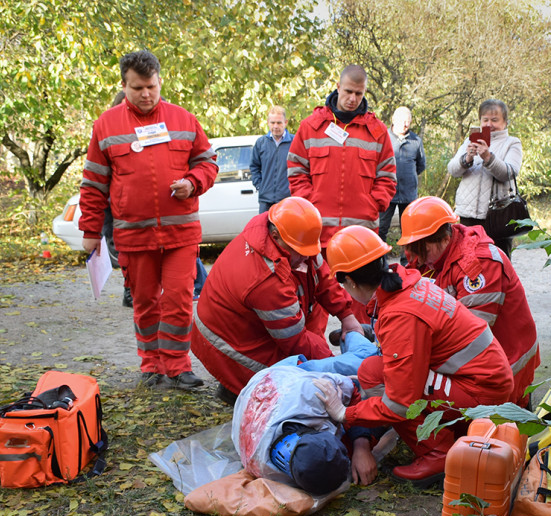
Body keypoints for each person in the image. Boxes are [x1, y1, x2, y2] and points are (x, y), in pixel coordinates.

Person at [316, 226, 513, 487]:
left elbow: (399, 402)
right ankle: (446, 435)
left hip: (483, 391)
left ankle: (436, 454)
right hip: (481, 379)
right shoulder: (407, 282)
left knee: (378, 377)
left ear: (350, 282)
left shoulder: (401, 314)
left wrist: (345, 414)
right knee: (373, 370)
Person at [79, 50, 218, 389]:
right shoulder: (106, 125)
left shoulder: (183, 120)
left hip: (180, 232)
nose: (146, 94)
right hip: (133, 235)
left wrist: (192, 182)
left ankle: (178, 366)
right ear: (124, 85)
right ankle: (152, 367)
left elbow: (208, 163)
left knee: (179, 299)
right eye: (138, 88)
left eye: (151, 87)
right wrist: (90, 231)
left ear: (160, 81)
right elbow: (94, 182)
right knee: (145, 303)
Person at [191, 196, 363, 401]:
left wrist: (346, 315)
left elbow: (321, 273)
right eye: (300, 253)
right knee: (285, 382)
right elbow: (295, 340)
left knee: (307, 370)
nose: (306, 258)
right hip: (225, 342)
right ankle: (238, 391)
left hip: (243, 323)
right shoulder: (265, 279)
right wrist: (337, 369)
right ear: (276, 236)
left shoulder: (288, 231)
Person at [397, 196, 539, 408]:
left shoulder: (477, 264)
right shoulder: (434, 256)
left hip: (507, 366)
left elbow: (471, 336)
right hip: (485, 362)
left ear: (441, 237)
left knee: (413, 381)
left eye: (421, 250)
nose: (419, 258)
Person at [287, 64, 396, 323]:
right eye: (348, 91)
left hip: (361, 237)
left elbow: (388, 176)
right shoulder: (311, 127)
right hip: (317, 234)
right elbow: (296, 170)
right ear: (338, 87)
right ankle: (314, 356)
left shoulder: (378, 132)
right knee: (314, 304)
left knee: (364, 306)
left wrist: (373, 204)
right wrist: (310, 204)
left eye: (359, 94)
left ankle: (364, 357)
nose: (353, 99)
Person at [232, 365, 380, 494]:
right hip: (266, 387)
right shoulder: (264, 470)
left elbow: (352, 388)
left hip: (285, 372)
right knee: (376, 422)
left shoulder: (316, 392)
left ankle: (352, 333)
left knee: (363, 366)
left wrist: (361, 447)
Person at [447, 99, 522, 257]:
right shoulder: (470, 141)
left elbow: (509, 172)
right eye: (485, 120)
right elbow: (452, 170)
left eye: (495, 120)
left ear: (505, 122)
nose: (489, 124)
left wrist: (488, 157)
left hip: (497, 215)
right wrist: (466, 159)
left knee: (497, 260)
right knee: (468, 259)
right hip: (468, 214)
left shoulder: (512, 143)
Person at [378, 107, 426, 246]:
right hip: (387, 193)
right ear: (394, 120)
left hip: (409, 194)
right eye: (402, 121)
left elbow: (421, 165)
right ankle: (380, 262)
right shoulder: (383, 138)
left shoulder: (416, 141)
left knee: (409, 230)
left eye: (408, 122)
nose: (405, 125)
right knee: (381, 229)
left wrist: (408, 177)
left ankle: (407, 262)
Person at [250, 106, 294, 213]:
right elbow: (254, 167)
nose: (275, 126)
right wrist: (260, 186)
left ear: (285, 122)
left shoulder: (294, 142)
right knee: (264, 229)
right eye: (272, 122)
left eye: (279, 123)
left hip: (287, 200)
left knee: (286, 229)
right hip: (266, 200)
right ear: (268, 122)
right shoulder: (261, 143)